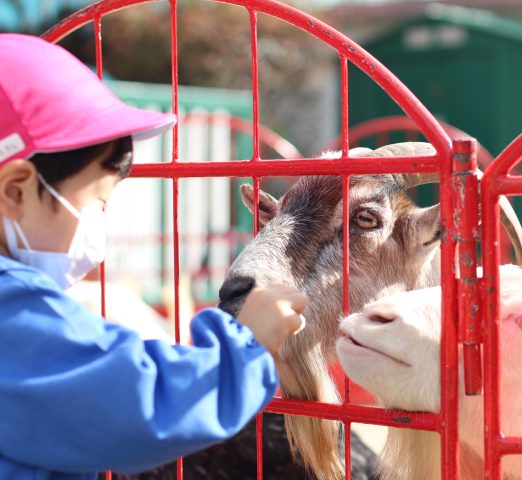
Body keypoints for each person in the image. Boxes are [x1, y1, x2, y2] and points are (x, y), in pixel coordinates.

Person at [0, 34, 306, 480]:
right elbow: (134, 405)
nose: (100, 226)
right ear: (14, 190)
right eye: (97, 203)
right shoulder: (13, 310)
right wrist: (245, 344)